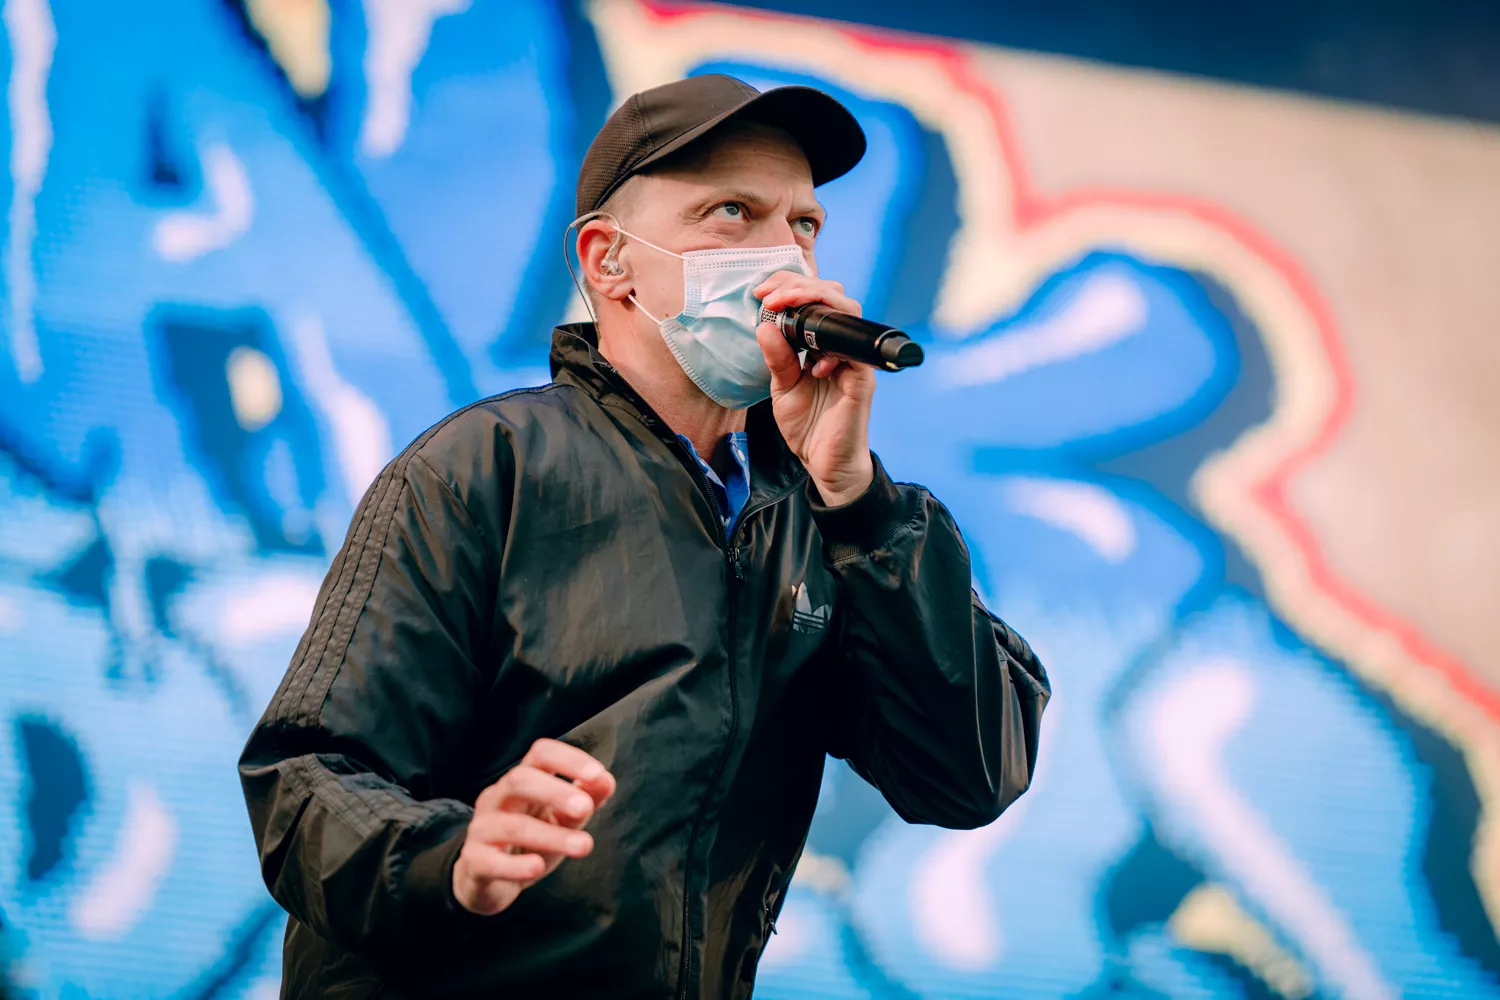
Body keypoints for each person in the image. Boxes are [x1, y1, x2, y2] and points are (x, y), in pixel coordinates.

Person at [238, 73, 1050, 998]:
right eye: (732, 213)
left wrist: (857, 499)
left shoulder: (835, 521)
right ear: (608, 261)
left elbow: (968, 776)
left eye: (804, 224)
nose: (783, 253)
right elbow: (303, 779)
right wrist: (450, 857)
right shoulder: (481, 470)